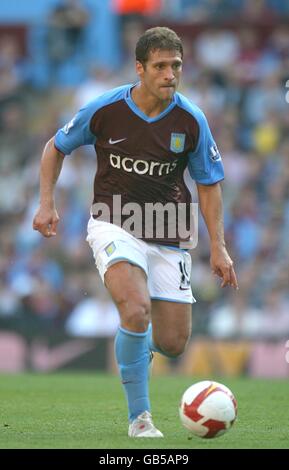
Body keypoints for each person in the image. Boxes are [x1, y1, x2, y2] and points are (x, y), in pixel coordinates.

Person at [32, 26, 238, 438]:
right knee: (135, 309)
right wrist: (46, 203)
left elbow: (209, 184)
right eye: (160, 66)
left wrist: (219, 247)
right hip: (114, 220)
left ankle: (130, 347)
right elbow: (56, 147)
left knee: (174, 342)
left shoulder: (191, 120)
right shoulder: (106, 109)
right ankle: (139, 418)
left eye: (176, 66)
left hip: (169, 231)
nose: (170, 75)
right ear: (140, 69)